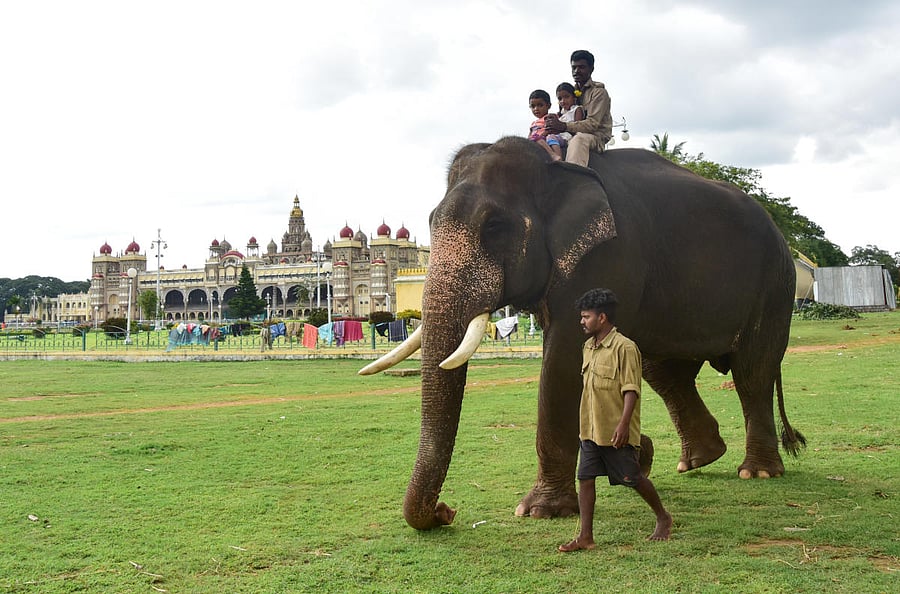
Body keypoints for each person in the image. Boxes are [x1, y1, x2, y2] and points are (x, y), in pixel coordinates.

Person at [558, 288, 672, 552]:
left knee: (632, 477)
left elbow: (631, 389)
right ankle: (585, 536)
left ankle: (663, 517)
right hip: (590, 429)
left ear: (602, 317)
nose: (582, 321)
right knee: (585, 478)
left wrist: (623, 425)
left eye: (586, 316)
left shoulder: (625, 348)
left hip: (614, 430)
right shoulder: (588, 347)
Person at [544, 50, 612, 167]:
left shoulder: (599, 93)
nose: (576, 71)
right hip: (568, 134)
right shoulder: (569, 92)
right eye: (574, 68)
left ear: (591, 69)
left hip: (595, 137)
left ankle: (573, 178)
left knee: (578, 140)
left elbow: (592, 124)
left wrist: (563, 126)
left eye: (581, 67)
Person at [527, 89, 563, 161]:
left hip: (546, 138)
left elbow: (550, 129)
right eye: (533, 106)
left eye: (540, 105)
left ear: (548, 105)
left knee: (542, 139)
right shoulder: (533, 124)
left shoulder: (549, 117)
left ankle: (554, 155)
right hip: (536, 140)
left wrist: (541, 135)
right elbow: (530, 135)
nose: (536, 109)